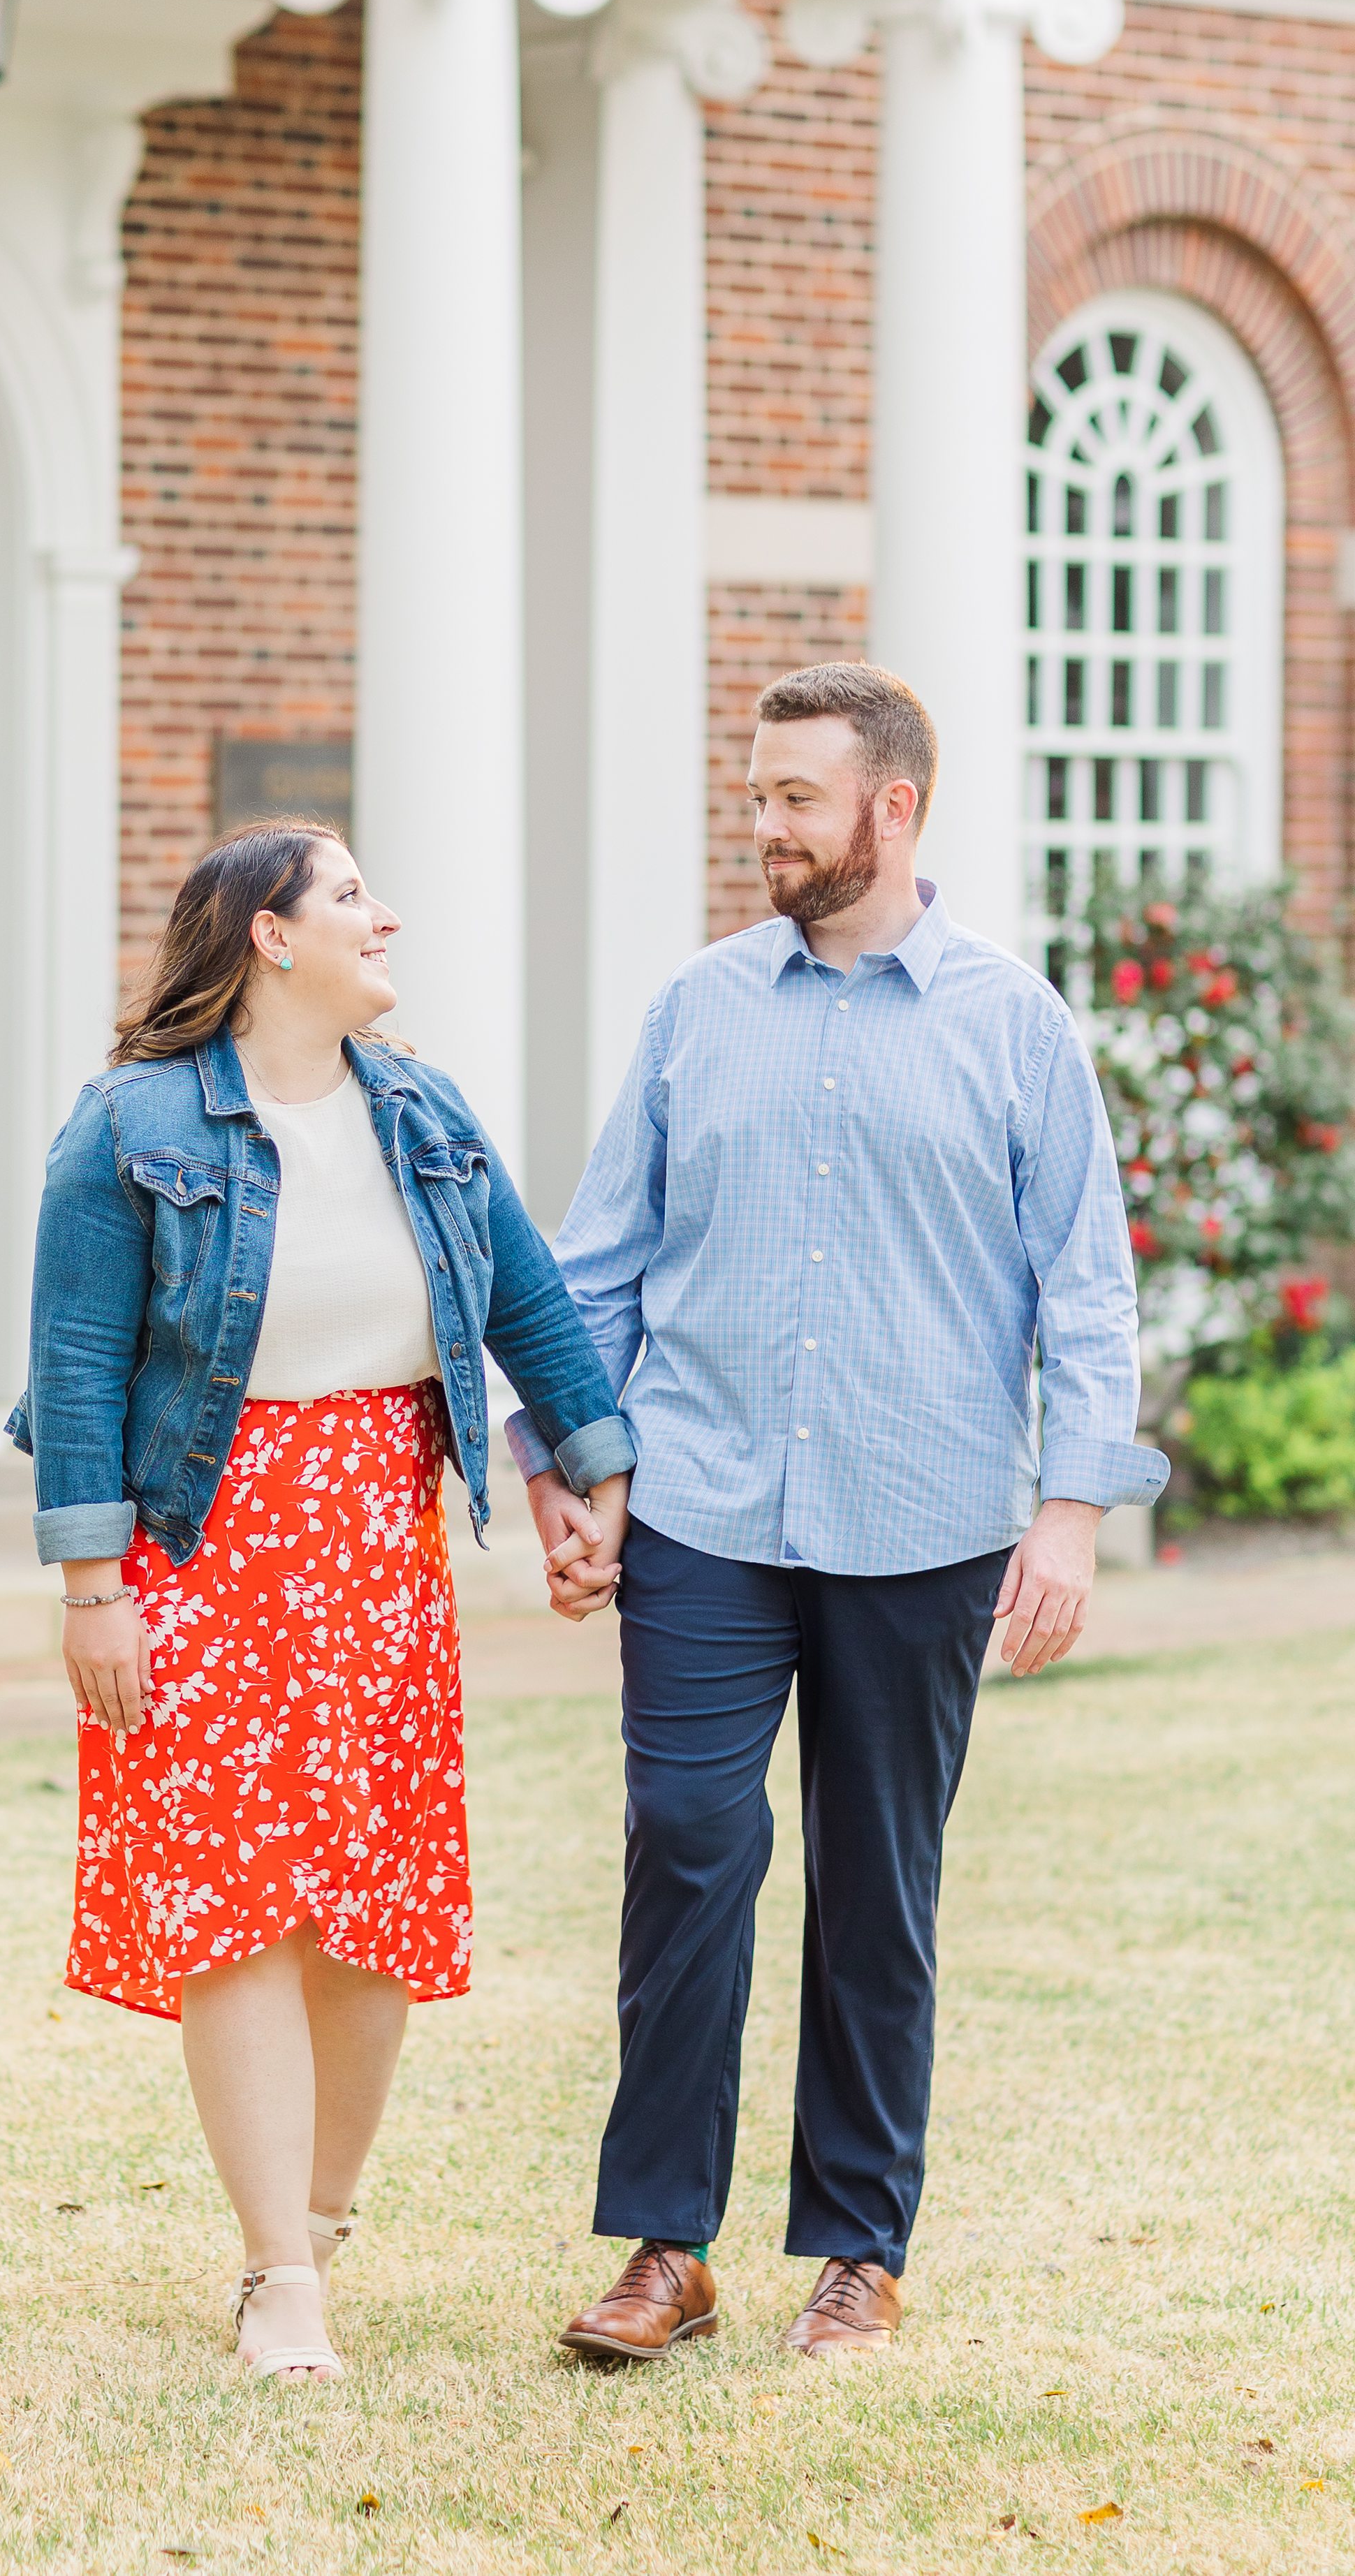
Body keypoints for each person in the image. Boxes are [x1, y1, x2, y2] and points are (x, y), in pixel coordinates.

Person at [518, 663, 1168, 2366]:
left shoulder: (1017, 1027)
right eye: (756, 795)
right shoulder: (696, 1009)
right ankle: (667, 2247)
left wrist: (1072, 1512)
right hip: (706, 1511)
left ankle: (860, 2251)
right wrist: (570, 1469)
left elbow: (1086, 1293)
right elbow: (597, 1270)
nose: (766, 827)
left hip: (927, 1521)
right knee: (687, 1843)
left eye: (795, 799)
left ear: (894, 808)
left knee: (879, 1885)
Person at [10, 819, 634, 2383]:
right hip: (201, 1553)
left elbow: (529, 1302)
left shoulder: (423, 1110)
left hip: (380, 1555)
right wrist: (92, 1590)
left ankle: (321, 2223)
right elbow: (75, 1364)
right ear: (271, 936)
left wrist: (597, 1466)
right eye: (353, 896)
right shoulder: (132, 1123)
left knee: (374, 1914)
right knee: (239, 1911)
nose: (387, 917)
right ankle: (276, 2275)